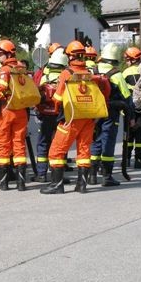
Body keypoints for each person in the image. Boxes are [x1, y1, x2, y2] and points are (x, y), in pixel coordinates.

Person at [41, 40, 105, 194]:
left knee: (56, 151)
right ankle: (81, 185)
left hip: (70, 118)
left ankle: (57, 185)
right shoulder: (89, 73)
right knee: (83, 151)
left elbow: (57, 98)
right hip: (88, 118)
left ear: (69, 56)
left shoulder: (66, 74)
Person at [0, 39, 30, 191]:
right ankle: (21, 183)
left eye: (0, 54)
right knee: (19, 145)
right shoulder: (21, 68)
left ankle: (4, 183)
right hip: (21, 111)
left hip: (6, 111)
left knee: (4, 146)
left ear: (8, 53)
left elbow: (0, 87)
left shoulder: (5, 70)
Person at [89, 42, 133, 187]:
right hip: (111, 114)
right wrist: (130, 116)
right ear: (114, 60)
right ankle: (107, 176)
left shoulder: (92, 71)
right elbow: (127, 97)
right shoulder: (117, 75)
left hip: (94, 112)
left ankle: (92, 175)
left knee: (95, 141)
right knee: (108, 142)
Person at [31, 43, 66, 183]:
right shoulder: (67, 76)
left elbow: (36, 92)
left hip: (46, 115)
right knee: (60, 145)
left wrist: (37, 107)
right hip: (61, 115)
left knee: (43, 143)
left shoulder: (45, 75)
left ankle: (41, 173)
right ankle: (57, 174)